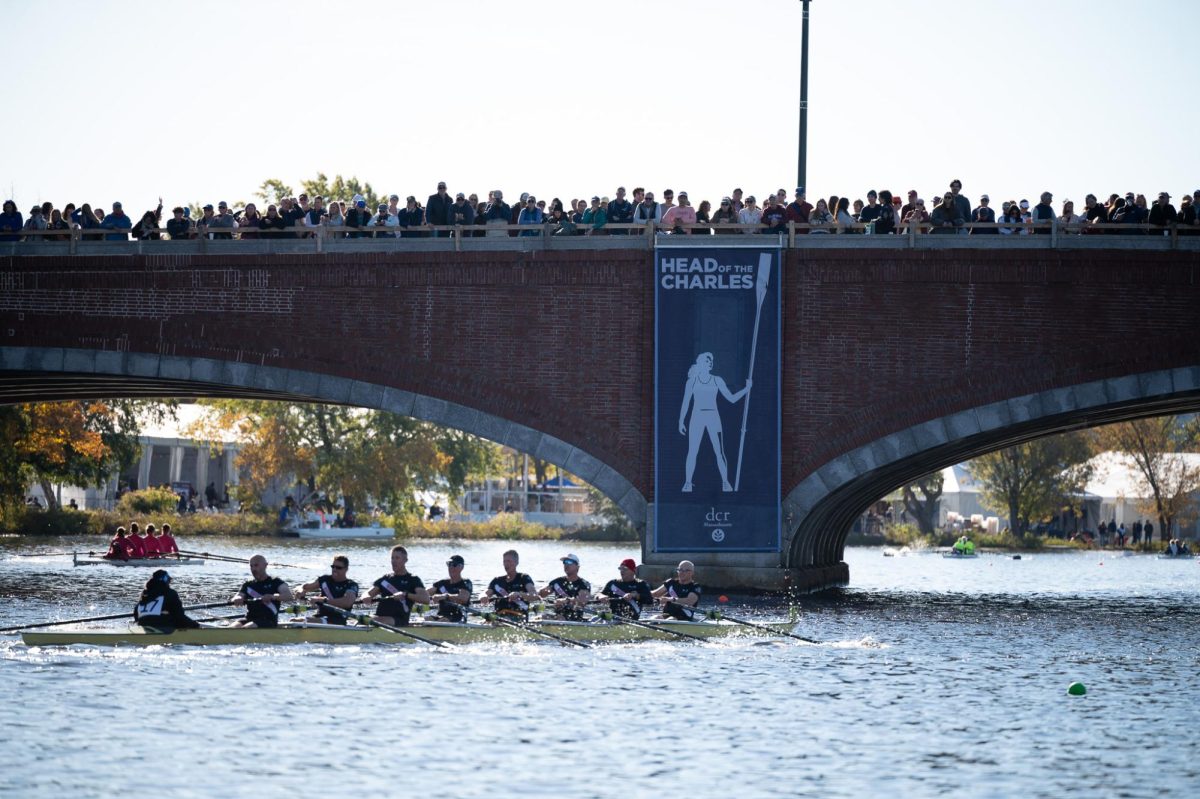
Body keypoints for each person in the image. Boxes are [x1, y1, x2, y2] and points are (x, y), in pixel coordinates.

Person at [678, 352, 751, 492]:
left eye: (711, 360)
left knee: (719, 451)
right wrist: (681, 421)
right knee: (692, 451)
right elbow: (685, 403)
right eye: (707, 360)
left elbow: (731, 399)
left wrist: (746, 389)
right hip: (696, 417)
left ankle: (725, 482)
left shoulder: (717, 380)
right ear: (700, 363)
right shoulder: (692, 381)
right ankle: (688, 483)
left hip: (713, 417)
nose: (711, 362)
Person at [365, 545, 429, 627]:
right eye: (392, 558)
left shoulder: (413, 579)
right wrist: (366, 597)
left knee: (374, 620)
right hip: (379, 618)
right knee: (364, 618)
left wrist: (405, 594)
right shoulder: (385, 579)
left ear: (405, 560)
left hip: (399, 621)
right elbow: (368, 593)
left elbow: (426, 599)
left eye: (397, 558)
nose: (393, 561)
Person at [230, 554, 294, 628]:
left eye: (256, 565)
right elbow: (238, 595)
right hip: (249, 618)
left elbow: (289, 596)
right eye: (251, 566)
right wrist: (237, 599)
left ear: (265, 565)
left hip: (268, 621)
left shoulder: (275, 582)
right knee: (232, 628)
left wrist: (272, 597)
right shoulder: (248, 584)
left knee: (247, 628)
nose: (253, 569)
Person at [296, 554, 360, 625]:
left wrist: (323, 600)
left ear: (346, 569)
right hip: (320, 617)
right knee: (294, 620)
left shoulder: (351, 585)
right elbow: (304, 586)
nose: (334, 569)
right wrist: (300, 591)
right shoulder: (325, 580)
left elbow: (347, 603)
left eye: (338, 568)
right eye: (333, 567)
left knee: (299, 621)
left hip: (337, 620)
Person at [134, 569, 200, 630]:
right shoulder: (170, 593)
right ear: (165, 581)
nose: (169, 583)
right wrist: (194, 625)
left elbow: (136, 615)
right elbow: (179, 616)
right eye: (169, 581)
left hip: (143, 626)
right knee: (180, 622)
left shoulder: (144, 594)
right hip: (163, 628)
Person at [485, 549, 537, 622]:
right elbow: (486, 593)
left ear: (516, 563)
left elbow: (534, 595)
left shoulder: (524, 577)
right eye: (504, 561)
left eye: (509, 561)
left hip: (519, 616)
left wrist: (519, 594)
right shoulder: (497, 580)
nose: (506, 564)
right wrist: (483, 597)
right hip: (499, 615)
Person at [539, 553, 591, 621]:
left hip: (575, 617)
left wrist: (566, 601)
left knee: (560, 618)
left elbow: (582, 602)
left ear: (577, 567)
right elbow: (541, 594)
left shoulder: (584, 584)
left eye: (569, 562)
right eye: (565, 562)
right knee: (542, 617)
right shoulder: (557, 582)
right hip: (558, 615)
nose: (566, 565)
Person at [427, 553, 471, 623]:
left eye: (454, 565)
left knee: (443, 620)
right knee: (428, 618)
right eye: (449, 564)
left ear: (462, 567)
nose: (451, 567)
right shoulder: (442, 583)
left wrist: (445, 596)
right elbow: (425, 593)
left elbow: (464, 598)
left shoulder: (466, 583)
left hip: (459, 617)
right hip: (441, 616)